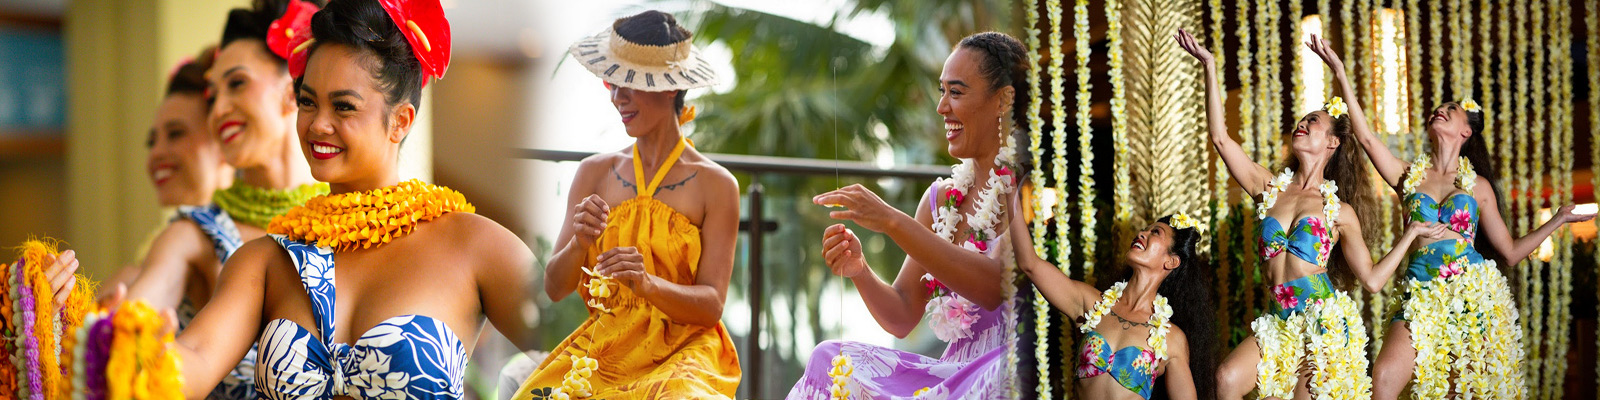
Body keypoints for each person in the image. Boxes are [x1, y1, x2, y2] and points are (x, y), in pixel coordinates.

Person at [158, 1, 537, 398]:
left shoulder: (472, 244)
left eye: (343, 106)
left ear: (400, 121)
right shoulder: (265, 262)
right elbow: (194, 360)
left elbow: (589, 353)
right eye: (308, 102)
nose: (318, 124)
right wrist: (117, 344)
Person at [1304, 34, 1594, 399]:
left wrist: (1557, 220)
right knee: (1384, 376)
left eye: (1450, 109)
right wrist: (1340, 71)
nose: (1439, 110)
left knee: (1464, 391)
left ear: (1465, 131)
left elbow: (1509, 252)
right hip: (1419, 290)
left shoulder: (1479, 188)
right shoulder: (1407, 175)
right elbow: (1365, 137)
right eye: (1437, 108)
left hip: (1472, 293)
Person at [510, 10, 743, 399]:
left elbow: (710, 306)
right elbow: (553, 288)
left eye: (631, 83)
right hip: (606, 343)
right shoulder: (594, 173)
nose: (619, 97)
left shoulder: (717, 186)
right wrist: (579, 243)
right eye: (613, 82)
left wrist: (648, 284)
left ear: (671, 88)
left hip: (687, 352)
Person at [786, 31, 1029, 399]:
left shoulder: (1030, 189)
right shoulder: (940, 200)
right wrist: (860, 270)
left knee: (1005, 373)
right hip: (951, 373)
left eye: (957, 92)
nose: (942, 107)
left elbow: (993, 287)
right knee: (829, 358)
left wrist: (891, 221)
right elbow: (901, 315)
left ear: (1003, 100)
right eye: (941, 91)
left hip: (1006, 368)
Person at [1177, 29, 1382, 400]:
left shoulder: (1340, 211)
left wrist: (1413, 234)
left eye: (1313, 122)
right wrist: (1209, 66)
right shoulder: (1268, 189)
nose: (1301, 124)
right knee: (1225, 378)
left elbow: (1372, 280)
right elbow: (1222, 139)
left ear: (1332, 142)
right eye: (1301, 120)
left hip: (1323, 325)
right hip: (1277, 319)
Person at [1012, 207, 1216, 400]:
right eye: (1144, 229)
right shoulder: (1091, 304)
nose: (1142, 233)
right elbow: (1029, 264)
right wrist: (1009, 191)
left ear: (1171, 261)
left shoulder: (1171, 339)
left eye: (1155, 232)